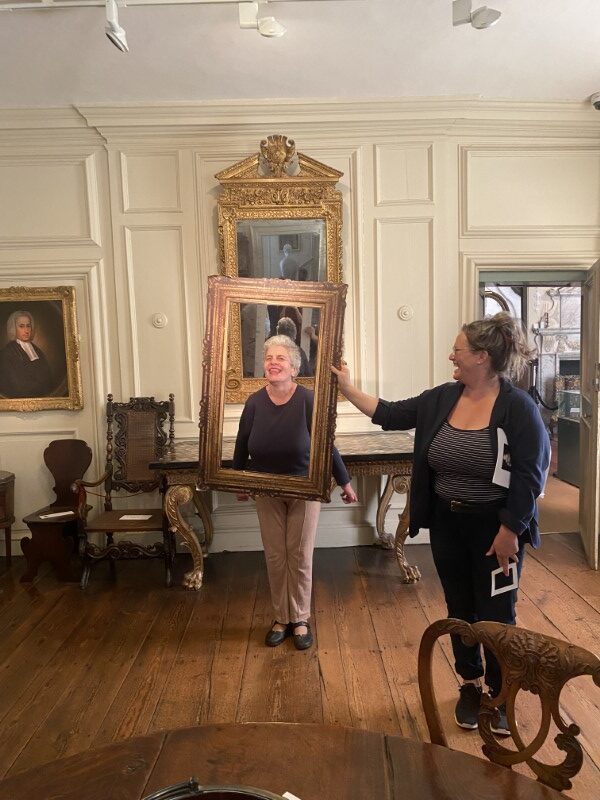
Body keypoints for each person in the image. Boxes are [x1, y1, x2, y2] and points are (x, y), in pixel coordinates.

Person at [332, 312, 550, 734]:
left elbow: (530, 474)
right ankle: (470, 685)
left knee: (497, 614)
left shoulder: (517, 407)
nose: (452, 355)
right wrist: (347, 388)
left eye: (459, 350)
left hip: (497, 531)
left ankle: (501, 695)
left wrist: (511, 532)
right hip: (448, 526)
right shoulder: (442, 398)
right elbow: (391, 413)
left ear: (483, 357)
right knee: (460, 609)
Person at [234, 334, 357, 650]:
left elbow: (325, 444)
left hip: (304, 486)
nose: (273, 363)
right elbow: (241, 443)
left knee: (300, 555)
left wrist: (344, 482)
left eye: (281, 359)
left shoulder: (307, 399)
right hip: (266, 487)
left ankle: (300, 618)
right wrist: (238, 480)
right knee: (276, 556)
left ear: (293, 367)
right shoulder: (254, 402)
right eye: (269, 358)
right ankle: (281, 618)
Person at [0, 310, 53, 398]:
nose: (26, 330)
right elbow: (15, 384)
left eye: (28, 326)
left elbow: (48, 377)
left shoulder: (37, 351)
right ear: (13, 328)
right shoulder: (7, 352)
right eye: (21, 326)